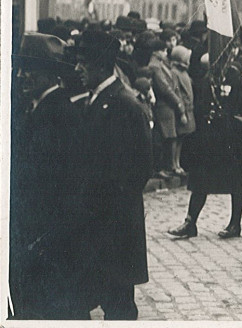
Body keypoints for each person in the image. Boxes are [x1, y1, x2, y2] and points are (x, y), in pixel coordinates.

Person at [73, 30, 153, 320]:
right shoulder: (97, 99)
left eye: (84, 63)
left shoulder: (124, 104)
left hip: (116, 226)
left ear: (101, 65)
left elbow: (141, 168)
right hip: (98, 225)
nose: (78, 69)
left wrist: (106, 204)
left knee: (119, 305)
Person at [9, 33, 90, 319]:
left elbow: (70, 188)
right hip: (35, 239)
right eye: (20, 69)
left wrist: (46, 241)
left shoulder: (60, 115)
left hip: (50, 244)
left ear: (50, 75)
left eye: (31, 70)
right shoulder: (36, 109)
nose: (22, 77)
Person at [168, 61, 242, 239]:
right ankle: (190, 222)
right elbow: (199, 108)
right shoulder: (206, 82)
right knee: (200, 180)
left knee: (237, 183)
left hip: (234, 141)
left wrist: (237, 122)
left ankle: (235, 224)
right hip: (210, 140)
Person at [147, 38, 187, 179]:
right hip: (164, 105)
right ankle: (165, 166)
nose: (165, 53)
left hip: (169, 106)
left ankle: (170, 165)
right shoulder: (155, 66)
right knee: (166, 136)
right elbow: (164, 87)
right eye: (163, 51)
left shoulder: (161, 64)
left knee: (171, 136)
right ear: (157, 52)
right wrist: (178, 103)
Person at [169, 45, 196, 175]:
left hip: (189, 108)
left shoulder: (184, 72)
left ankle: (178, 162)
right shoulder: (174, 72)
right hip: (182, 110)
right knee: (178, 137)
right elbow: (177, 92)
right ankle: (174, 163)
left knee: (182, 138)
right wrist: (182, 112)